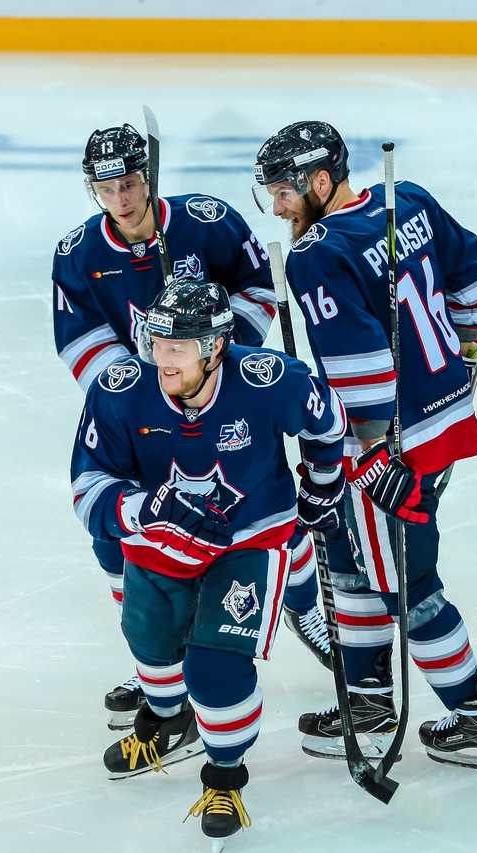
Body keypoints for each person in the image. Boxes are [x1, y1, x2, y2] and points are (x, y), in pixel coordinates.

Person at [252, 120, 477, 772]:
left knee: (407, 584)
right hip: (443, 421)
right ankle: (368, 701)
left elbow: (364, 371)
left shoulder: (318, 252)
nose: (278, 208)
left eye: (284, 193)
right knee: (352, 563)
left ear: (320, 182)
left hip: (384, 446)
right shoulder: (410, 203)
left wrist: (370, 457)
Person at [52, 124, 332, 729]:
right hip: (143, 410)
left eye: (130, 184)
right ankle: (155, 657)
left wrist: (220, 363)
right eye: (107, 189)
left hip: (219, 393)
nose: (121, 199)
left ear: (148, 177)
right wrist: (140, 388)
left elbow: (257, 287)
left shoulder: (207, 220)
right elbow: (79, 337)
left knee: (263, 503)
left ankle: (306, 605)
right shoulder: (78, 253)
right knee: (119, 532)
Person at [70, 278, 347, 845]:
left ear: (215, 346)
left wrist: (322, 489)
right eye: (156, 342)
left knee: (214, 668)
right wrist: (143, 508)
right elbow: (87, 485)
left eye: (177, 347)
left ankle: (224, 775)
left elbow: (328, 424)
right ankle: (170, 720)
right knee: (150, 645)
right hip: (158, 540)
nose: (162, 358)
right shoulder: (121, 390)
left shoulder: (269, 381)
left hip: (250, 539)